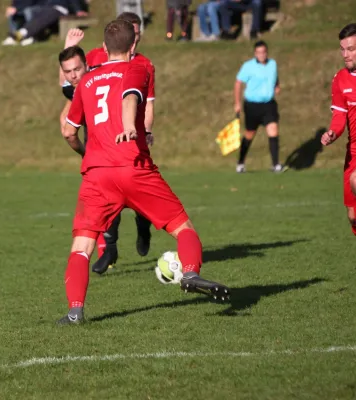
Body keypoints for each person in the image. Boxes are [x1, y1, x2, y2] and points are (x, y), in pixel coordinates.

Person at [58, 19, 230, 324]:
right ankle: (189, 272)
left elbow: (69, 131)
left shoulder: (86, 80)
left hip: (97, 175)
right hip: (134, 166)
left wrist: (86, 154)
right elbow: (130, 98)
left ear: (104, 46)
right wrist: (128, 127)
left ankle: (75, 310)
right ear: (133, 45)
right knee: (183, 227)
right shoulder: (138, 68)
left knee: (82, 246)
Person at [61, 13, 155, 275]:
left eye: (136, 34)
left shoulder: (144, 66)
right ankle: (110, 248)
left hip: (130, 139)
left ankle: (143, 224)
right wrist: (67, 46)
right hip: (100, 139)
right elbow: (70, 84)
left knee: (134, 194)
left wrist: (145, 130)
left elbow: (147, 103)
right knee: (107, 196)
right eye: (130, 33)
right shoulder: (94, 58)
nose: (133, 39)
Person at [320, 23, 356, 236]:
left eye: (351, 49)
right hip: (352, 153)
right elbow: (339, 117)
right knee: (352, 216)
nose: (345, 54)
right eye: (342, 49)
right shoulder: (340, 79)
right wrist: (332, 133)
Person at [234, 40, 284, 173]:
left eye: (264, 52)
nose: (261, 55)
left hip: (269, 104)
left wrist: (277, 85)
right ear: (255, 53)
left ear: (266, 52)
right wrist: (237, 103)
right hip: (252, 105)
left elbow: (274, 77)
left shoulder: (272, 64)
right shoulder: (248, 66)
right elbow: (238, 83)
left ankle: (276, 164)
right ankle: (240, 163)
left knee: (273, 131)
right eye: (259, 52)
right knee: (249, 134)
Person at [9, 0, 88, 46]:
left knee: (44, 16)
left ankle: (22, 34)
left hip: (60, 8)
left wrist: (78, 10)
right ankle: (31, 36)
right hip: (45, 8)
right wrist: (16, 7)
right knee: (30, 11)